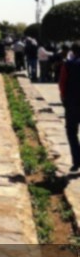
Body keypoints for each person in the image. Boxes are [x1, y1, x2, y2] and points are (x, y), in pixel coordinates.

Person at [58, 44, 80, 172]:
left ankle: (77, 160)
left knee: (71, 131)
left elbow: (62, 83)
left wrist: (63, 98)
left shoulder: (68, 64)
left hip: (72, 102)